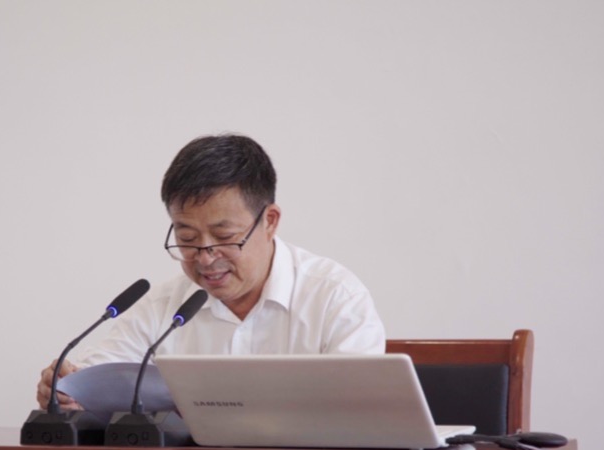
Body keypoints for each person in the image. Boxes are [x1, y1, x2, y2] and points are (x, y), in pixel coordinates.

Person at [36, 134, 386, 410]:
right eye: (187, 238)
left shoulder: (334, 297)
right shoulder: (163, 308)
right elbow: (95, 379)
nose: (205, 258)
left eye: (224, 237)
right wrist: (66, 390)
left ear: (269, 221)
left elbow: (362, 412)